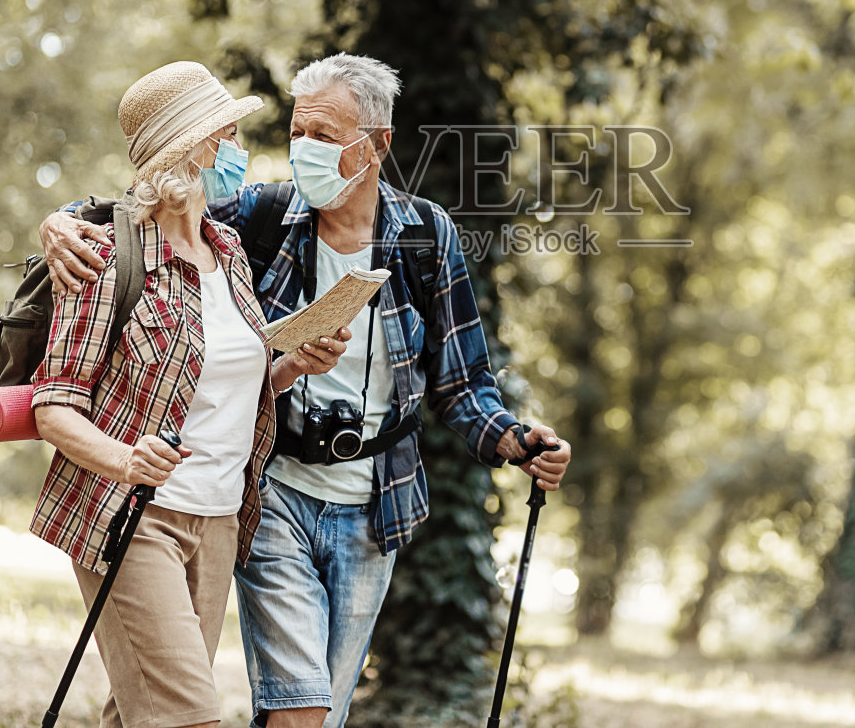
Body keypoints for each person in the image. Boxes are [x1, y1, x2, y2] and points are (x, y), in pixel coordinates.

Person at [40, 53, 573, 728]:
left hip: (369, 502)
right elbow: (135, 201)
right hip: (271, 490)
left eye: (323, 135)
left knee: (298, 716)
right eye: (297, 131)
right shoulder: (257, 217)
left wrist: (516, 441)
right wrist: (56, 221)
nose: (299, 149)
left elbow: (461, 381)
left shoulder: (417, 236)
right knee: (289, 709)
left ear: (376, 144)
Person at [28, 60, 349, 728]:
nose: (238, 151)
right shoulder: (107, 255)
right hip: (133, 516)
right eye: (226, 135)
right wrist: (125, 460)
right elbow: (53, 403)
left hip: (219, 519)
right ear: (190, 149)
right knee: (190, 718)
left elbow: (221, 387)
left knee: (141, 714)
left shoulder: (227, 248)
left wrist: (291, 365)